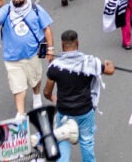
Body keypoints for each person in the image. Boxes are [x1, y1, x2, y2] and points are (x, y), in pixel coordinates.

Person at [43, 29, 115, 162]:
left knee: (62, 142)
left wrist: (54, 99)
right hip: (84, 111)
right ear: (77, 43)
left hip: (64, 112)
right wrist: (109, 63)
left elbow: (47, 92)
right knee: (87, 142)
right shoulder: (91, 63)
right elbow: (110, 70)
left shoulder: (55, 66)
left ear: (63, 45)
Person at [0, 0, 55, 116]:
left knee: (35, 78)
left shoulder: (36, 9)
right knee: (18, 86)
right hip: (12, 57)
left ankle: (36, 95)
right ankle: (20, 113)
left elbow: (46, 29)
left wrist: (50, 49)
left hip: (32, 54)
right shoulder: (6, 9)